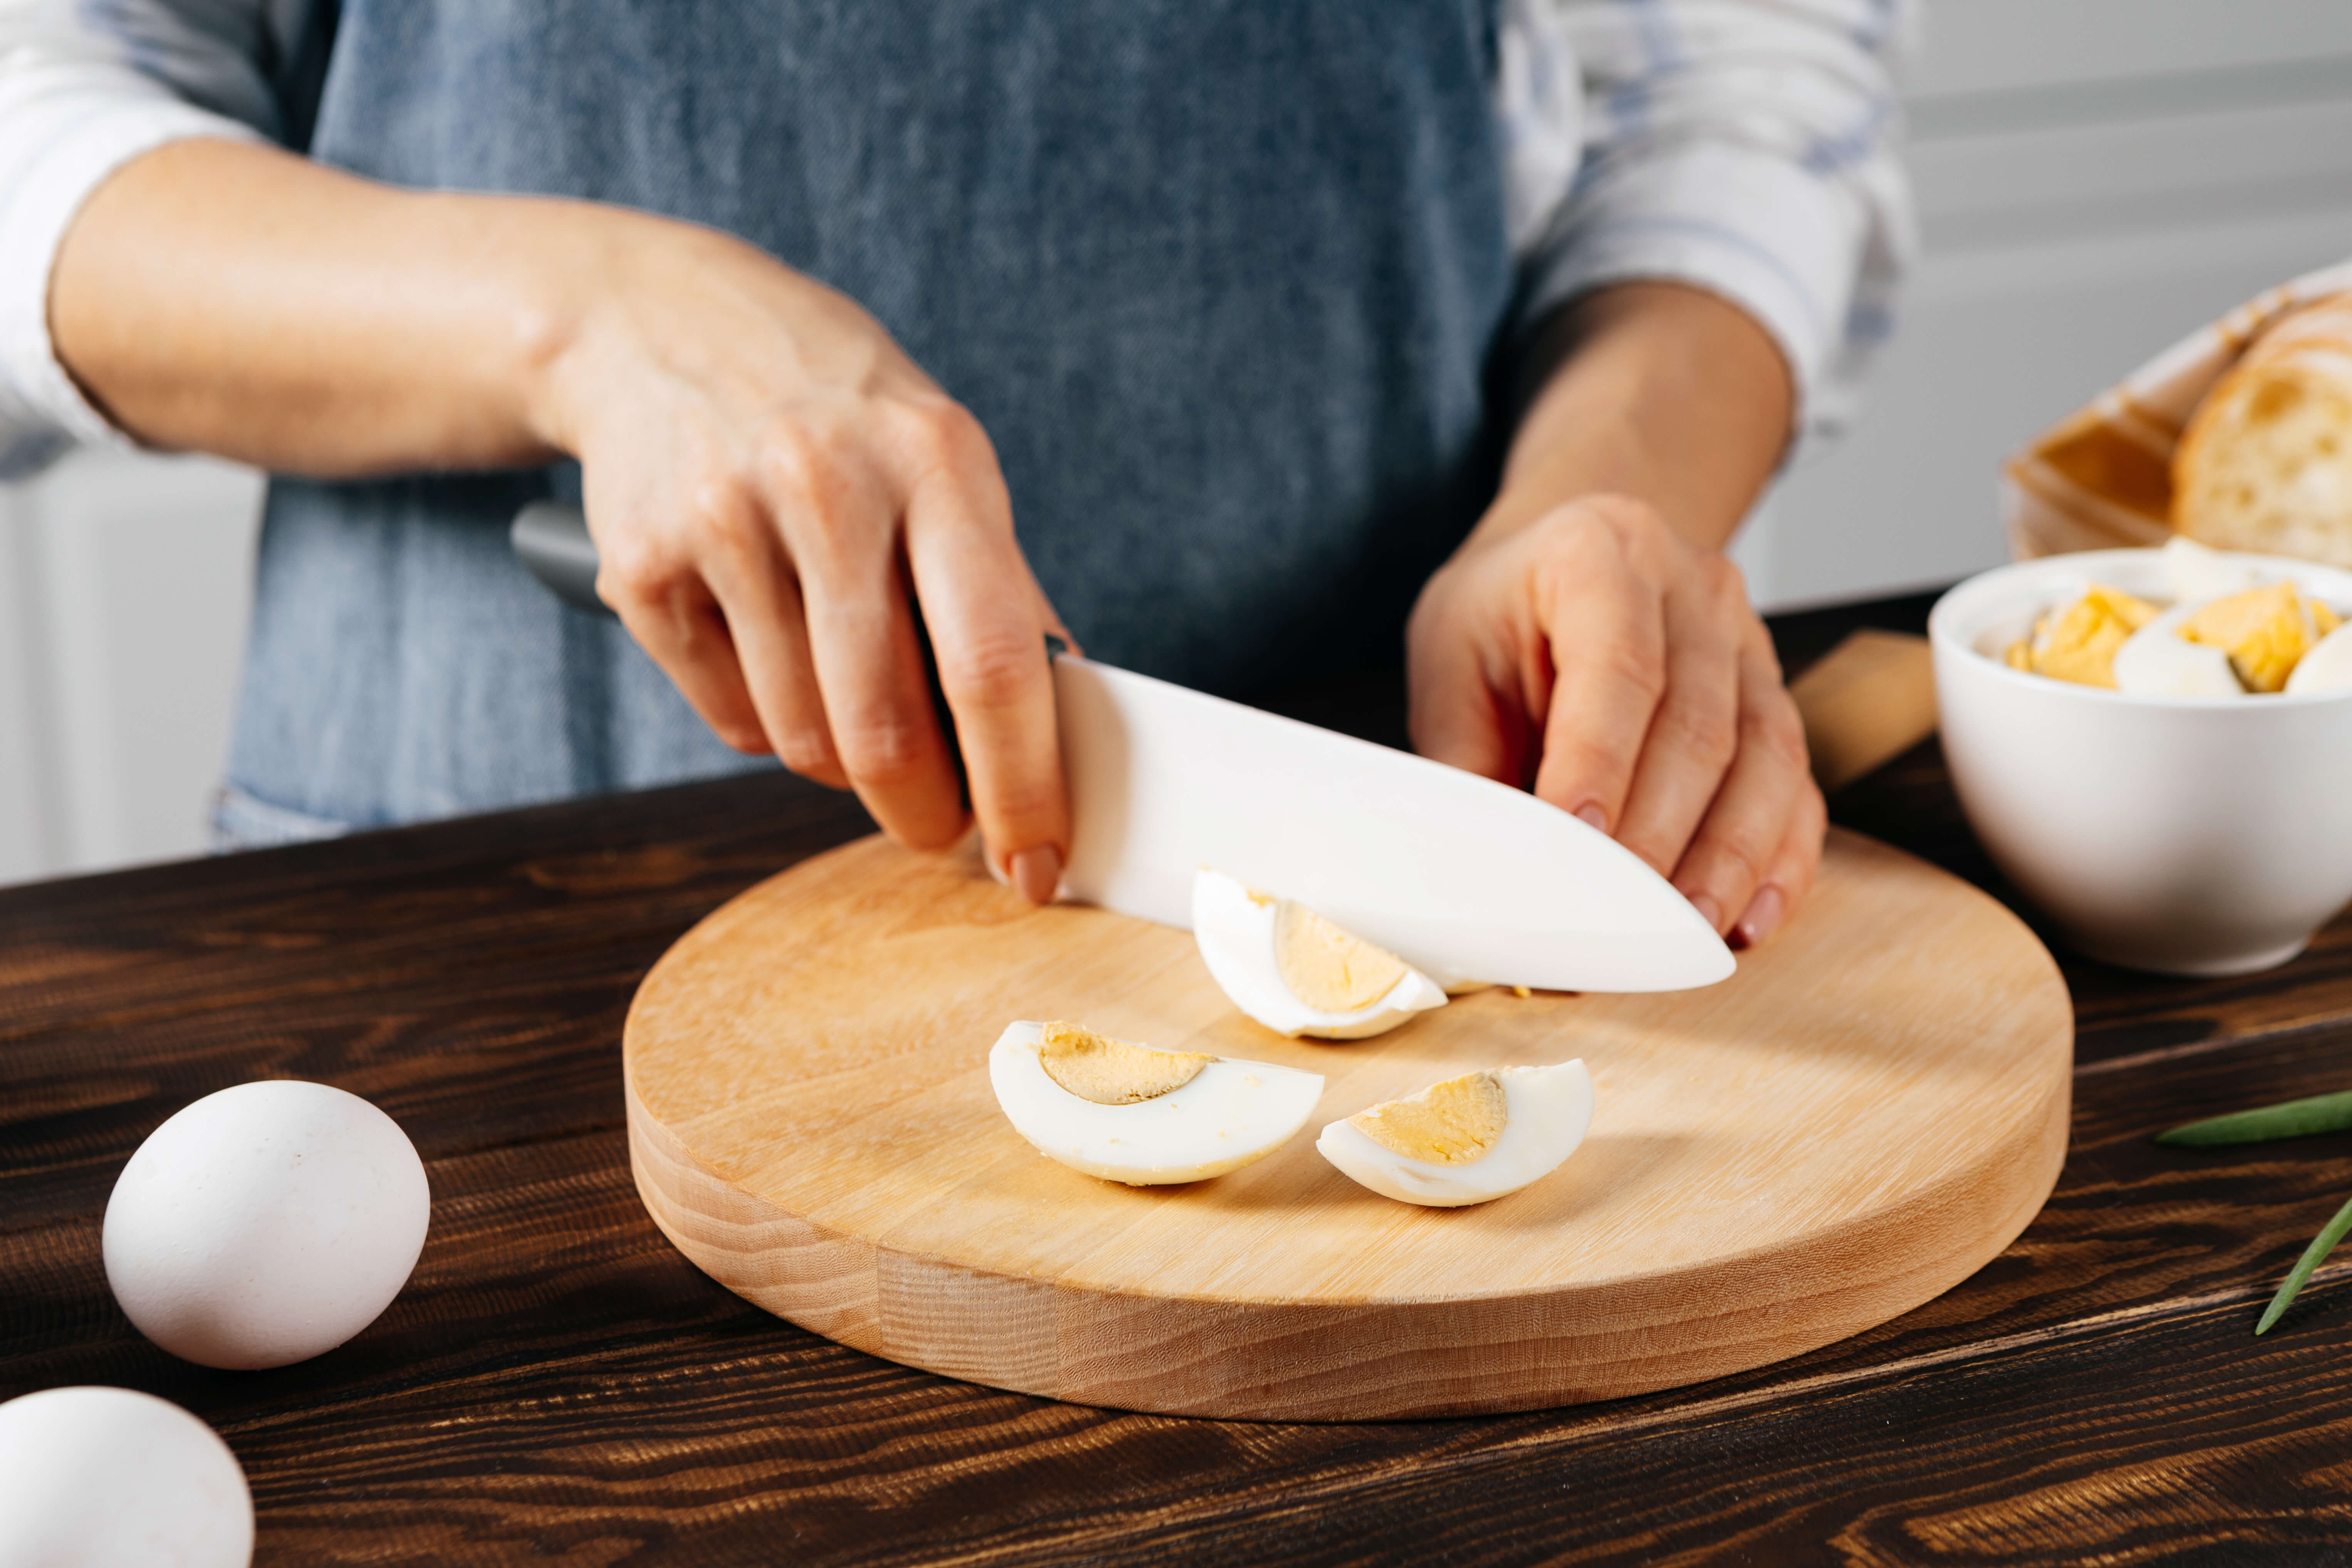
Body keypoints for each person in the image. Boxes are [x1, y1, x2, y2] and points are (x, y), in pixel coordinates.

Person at [0, 0, 1910, 947]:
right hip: (474, 913)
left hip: (1383, 817)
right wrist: (589, 318)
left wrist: (1611, 483)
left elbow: (1742, 95)